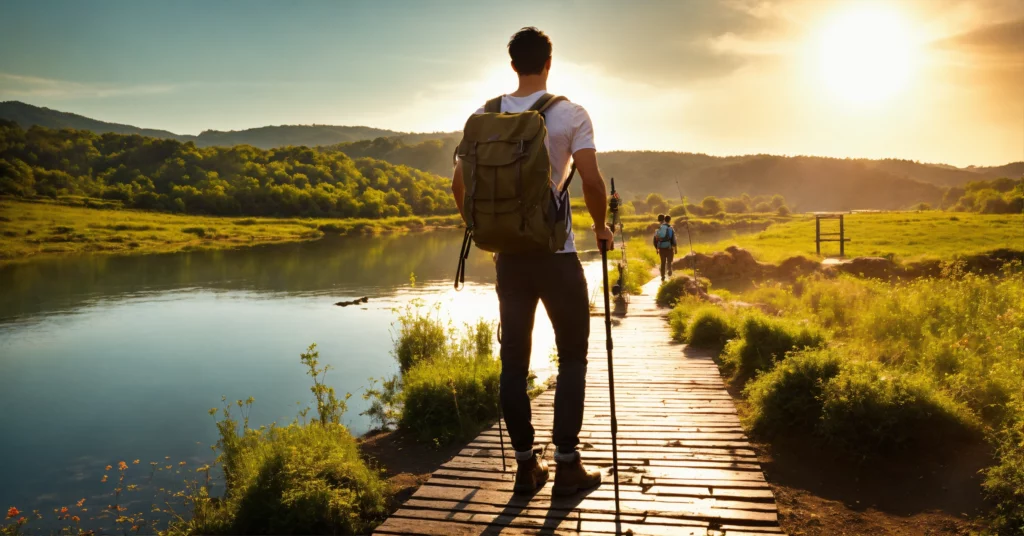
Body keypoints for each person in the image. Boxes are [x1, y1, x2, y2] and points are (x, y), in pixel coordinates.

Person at [450, 27, 612, 496]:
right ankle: (567, 465)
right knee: (573, 358)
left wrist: (483, 228)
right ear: (548, 62)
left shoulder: (484, 114)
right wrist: (601, 227)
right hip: (557, 258)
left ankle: (526, 467)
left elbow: (459, 185)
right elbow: (592, 182)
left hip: (509, 260)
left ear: (512, 64)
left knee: (513, 364)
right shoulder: (570, 114)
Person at [655, 215, 678, 281]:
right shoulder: (670, 228)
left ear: (664, 220)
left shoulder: (660, 227)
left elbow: (656, 238)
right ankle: (669, 270)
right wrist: (675, 248)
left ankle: (662, 276)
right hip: (669, 247)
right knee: (669, 261)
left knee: (663, 262)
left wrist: (657, 248)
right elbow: (674, 239)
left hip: (661, 248)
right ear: (669, 220)